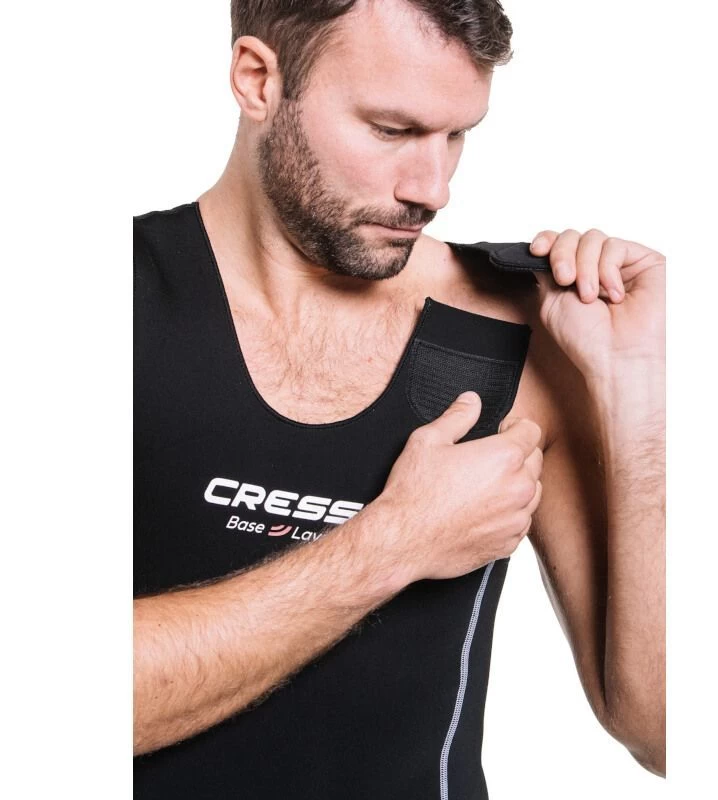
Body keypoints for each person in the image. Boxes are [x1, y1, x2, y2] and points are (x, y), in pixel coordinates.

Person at [133, 0, 665, 796]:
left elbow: (663, 729)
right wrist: (396, 542)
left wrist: (638, 392)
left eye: (457, 135)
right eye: (391, 130)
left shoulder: (516, 331)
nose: (434, 188)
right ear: (257, 79)